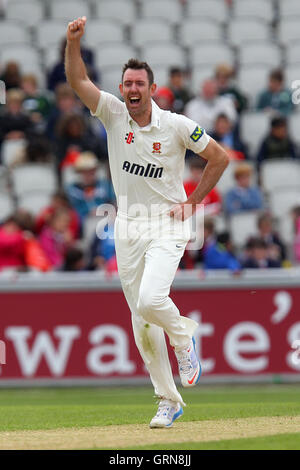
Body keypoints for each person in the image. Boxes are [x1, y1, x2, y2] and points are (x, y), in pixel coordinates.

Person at [65, 16, 229, 428]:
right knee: (140, 324)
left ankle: (183, 335)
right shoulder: (112, 114)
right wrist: (73, 43)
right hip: (128, 228)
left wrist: (193, 203)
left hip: (169, 224)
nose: (132, 89)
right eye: (127, 84)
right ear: (121, 89)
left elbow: (220, 157)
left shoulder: (175, 125)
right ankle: (167, 400)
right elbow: (77, 80)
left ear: (152, 89)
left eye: (140, 83)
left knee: (151, 301)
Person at [65, 151, 115, 223]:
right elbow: (73, 210)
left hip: (106, 220)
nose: (88, 174)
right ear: (80, 172)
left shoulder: (105, 185)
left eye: (91, 171)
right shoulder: (72, 189)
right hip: (84, 223)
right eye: (85, 171)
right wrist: (88, 212)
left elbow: (113, 202)